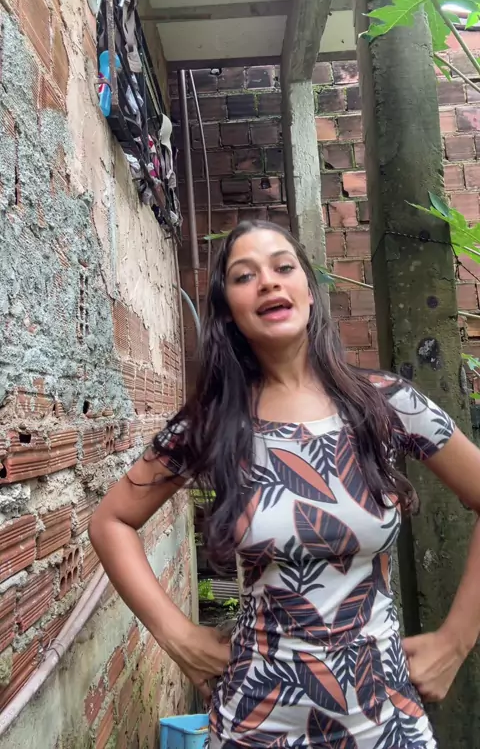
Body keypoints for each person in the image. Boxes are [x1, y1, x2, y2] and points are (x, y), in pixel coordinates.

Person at [90, 220, 480, 749]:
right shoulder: (214, 422)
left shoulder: (386, 404)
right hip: (257, 717)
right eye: (244, 276)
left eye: (283, 267)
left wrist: (456, 642)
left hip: (384, 716)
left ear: (309, 293)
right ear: (228, 310)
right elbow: (111, 520)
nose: (268, 282)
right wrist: (177, 637)